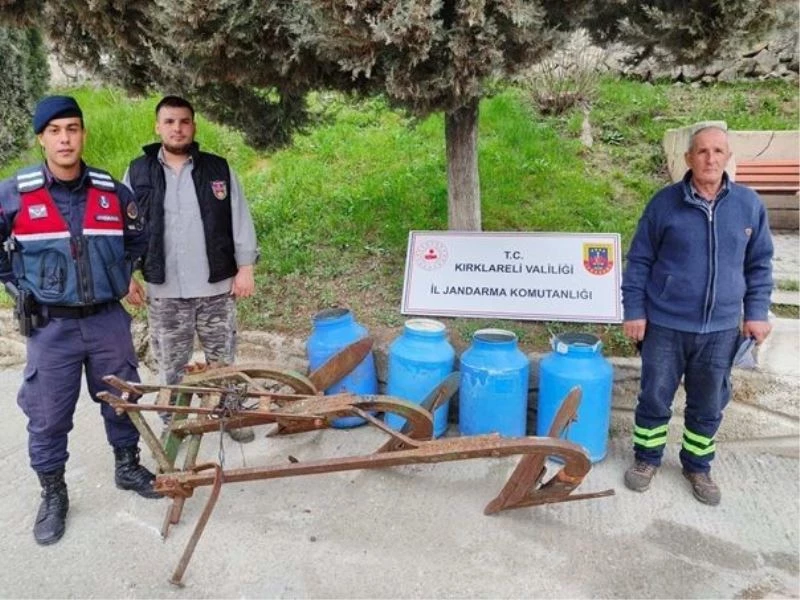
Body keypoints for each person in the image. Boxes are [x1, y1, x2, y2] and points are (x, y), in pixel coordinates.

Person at [0, 96, 161, 546]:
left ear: (83, 133)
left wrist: (121, 274)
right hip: (52, 327)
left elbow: (138, 238)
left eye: (73, 129)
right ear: (41, 139)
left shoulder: (111, 191)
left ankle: (127, 466)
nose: (65, 139)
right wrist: (17, 289)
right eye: (55, 131)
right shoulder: (14, 193)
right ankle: (53, 493)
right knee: (47, 414)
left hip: (108, 319)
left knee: (123, 397)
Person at [621, 125, 774, 506]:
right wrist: (635, 311)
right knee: (655, 397)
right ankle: (646, 460)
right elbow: (639, 261)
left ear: (728, 157)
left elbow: (759, 265)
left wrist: (755, 313)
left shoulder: (748, 205)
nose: (710, 159)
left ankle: (698, 465)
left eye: (718, 151)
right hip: (666, 325)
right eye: (702, 151)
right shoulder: (664, 204)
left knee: (708, 403)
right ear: (688, 158)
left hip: (721, 329)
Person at [124, 95, 258, 443]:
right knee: (170, 364)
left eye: (184, 121)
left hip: (215, 286)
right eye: (169, 122)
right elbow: (124, 227)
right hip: (164, 289)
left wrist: (245, 268)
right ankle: (174, 424)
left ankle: (232, 416)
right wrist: (126, 273)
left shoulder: (218, 169)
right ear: (158, 126)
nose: (177, 128)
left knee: (223, 360)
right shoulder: (137, 172)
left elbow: (239, 219)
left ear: (193, 126)